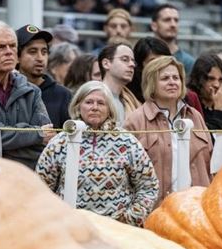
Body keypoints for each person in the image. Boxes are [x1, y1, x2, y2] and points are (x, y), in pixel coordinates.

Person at [36, 81, 159, 227]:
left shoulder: (127, 142)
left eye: (101, 103)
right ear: (78, 106)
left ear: (110, 109)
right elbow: (40, 187)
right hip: (71, 229)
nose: (94, 107)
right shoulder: (60, 142)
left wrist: (129, 219)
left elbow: (149, 186)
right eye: (89, 102)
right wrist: (58, 219)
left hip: (119, 230)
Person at [124, 55, 212, 204]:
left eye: (176, 78)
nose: (172, 82)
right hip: (154, 210)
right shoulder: (135, 120)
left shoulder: (195, 116)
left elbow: (210, 162)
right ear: (151, 83)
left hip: (196, 207)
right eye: (165, 78)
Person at [0, 21, 53, 168]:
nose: (8, 51)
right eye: (0, 47)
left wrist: (5, 143)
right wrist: (35, 135)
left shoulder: (32, 91)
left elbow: (47, 141)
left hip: (23, 177)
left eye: (12, 46)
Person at [16, 24, 72, 130]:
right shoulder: (8, 91)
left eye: (44, 52)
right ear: (17, 56)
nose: (40, 58)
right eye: (32, 52)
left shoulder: (63, 95)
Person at [187, 53, 222, 160]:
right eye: (210, 79)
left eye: (221, 80)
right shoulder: (190, 109)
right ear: (199, 79)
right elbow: (206, 147)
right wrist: (219, 112)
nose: (216, 85)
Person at [98, 42, 140, 126]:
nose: (132, 65)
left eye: (133, 61)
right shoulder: (94, 96)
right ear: (106, 64)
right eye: (125, 59)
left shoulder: (129, 100)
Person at [150, 4, 195, 75]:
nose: (173, 24)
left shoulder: (188, 62)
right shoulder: (143, 56)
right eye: (167, 20)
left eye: (176, 20)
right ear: (154, 26)